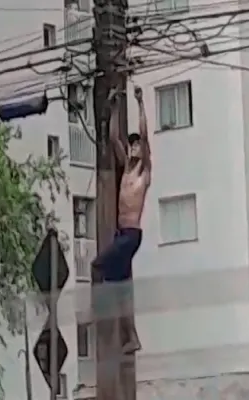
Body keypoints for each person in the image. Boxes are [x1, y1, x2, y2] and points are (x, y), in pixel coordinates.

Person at [91, 85, 151, 354]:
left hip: (131, 235)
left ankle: (97, 311)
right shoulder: (126, 169)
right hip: (121, 234)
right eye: (132, 144)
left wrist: (140, 103)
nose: (135, 147)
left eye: (137, 145)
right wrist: (114, 105)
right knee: (121, 287)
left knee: (97, 265)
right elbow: (114, 137)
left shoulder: (143, 173)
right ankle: (132, 337)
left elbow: (146, 137)